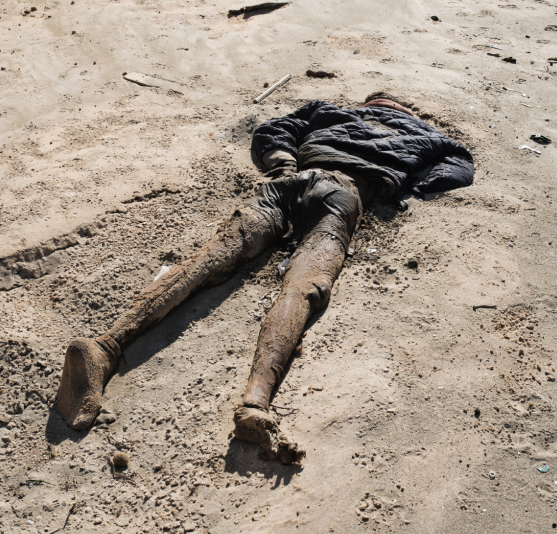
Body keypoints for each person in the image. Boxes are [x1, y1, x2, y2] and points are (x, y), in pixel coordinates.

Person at [55, 93, 475, 463]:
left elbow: (274, 130)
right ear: (405, 112)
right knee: (304, 286)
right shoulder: (431, 137)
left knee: (214, 255)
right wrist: (410, 186)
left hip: (289, 181)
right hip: (343, 193)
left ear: (367, 105)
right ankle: (255, 403)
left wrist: (282, 161)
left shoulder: (328, 110)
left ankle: (105, 346)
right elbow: (458, 168)